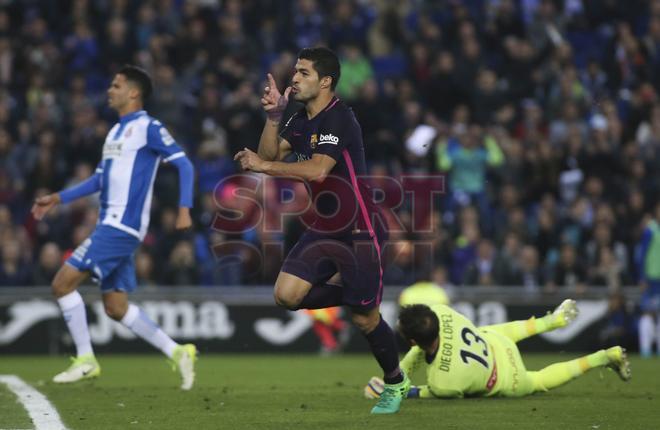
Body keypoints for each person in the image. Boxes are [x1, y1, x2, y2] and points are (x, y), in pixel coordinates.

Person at [234, 47, 409, 414]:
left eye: (303, 72)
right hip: (326, 227)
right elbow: (273, 151)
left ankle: (395, 382)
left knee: (365, 319)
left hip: (359, 229)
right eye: (294, 71)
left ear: (325, 81)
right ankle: (355, 292)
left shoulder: (340, 118)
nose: (293, 78)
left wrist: (262, 166)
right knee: (286, 295)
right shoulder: (298, 120)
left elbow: (316, 171)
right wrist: (273, 118)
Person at [31, 65, 197, 389]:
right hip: (111, 224)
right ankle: (178, 351)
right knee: (116, 307)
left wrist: (184, 209)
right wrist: (59, 198)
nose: (110, 89)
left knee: (62, 284)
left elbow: (184, 164)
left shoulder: (148, 127)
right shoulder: (114, 132)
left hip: (121, 227)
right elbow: (99, 179)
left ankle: (85, 359)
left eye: (116, 85)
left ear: (133, 92)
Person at [364, 300, 631, 400]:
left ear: (412, 341)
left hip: (506, 379)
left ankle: (600, 357)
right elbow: (422, 348)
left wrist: (394, 387)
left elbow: (421, 392)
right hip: (495, 343)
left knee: (538, 381)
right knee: (493, 330)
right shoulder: (442, 313)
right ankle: (549, 321)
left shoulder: (443, 383)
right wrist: (400, 374)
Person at [637, 203, 660, 357]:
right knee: (648, 313)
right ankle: (645, 350)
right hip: (651, 278)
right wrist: (642, 277)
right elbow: (642, 254)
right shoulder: (650, 230)